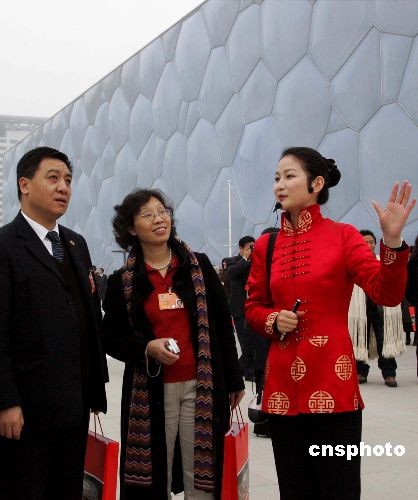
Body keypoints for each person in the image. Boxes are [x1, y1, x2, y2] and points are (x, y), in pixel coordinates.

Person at [245, 146, 414, 500]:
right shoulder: (265, 246)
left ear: (317, 184)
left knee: (339, 488)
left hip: (334, 386)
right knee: (294, 489)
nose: (279, 184)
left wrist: (392, 242)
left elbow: (386, 293)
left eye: (289, 176)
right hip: (282, 390)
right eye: (276, 177)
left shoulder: (344, 236)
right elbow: (253, 308)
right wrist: (274, 319)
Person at [102, 188, 244, 500]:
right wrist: (146, 348)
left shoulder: (198, 267)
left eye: (162, 212)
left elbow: (222, 325)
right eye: (147, 215)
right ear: (131, 228)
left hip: (202, 385)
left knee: (202, 472)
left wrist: (234, 380)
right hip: (152, 389)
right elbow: (111, 337)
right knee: (155, 473)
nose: (159, 219)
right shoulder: (122, 281)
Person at [0, 147, 108, 500]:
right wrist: (6, 401)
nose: (64, 187)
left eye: (68, 180)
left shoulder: (75, 243)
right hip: (27, 408)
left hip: (74, 404)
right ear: (25, 185)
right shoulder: (5, 245)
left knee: (67, 489)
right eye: (53, 178)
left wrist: (95, 388)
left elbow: (88, 316)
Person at [349, 230, 404, 388]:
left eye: (371, 242)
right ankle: (360, 372)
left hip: (381, 309)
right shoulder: (353, 264)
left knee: (384, 340)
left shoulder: (383, 262)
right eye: (364, 242)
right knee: (360, 340)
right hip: (360, 311)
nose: (369, 245)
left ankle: (389, 373)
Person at [227, 235, 256, 376]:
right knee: (244, 340)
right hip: (239, 308)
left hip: (254, 307)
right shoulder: (232, 261)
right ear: (241, 248)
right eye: (249, 247)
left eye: (254, 247)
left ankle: (244, 368)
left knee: (254, 341)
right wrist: (245, 258)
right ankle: (248, 371)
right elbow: (232, 274)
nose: (252, 250)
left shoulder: (256, 262)